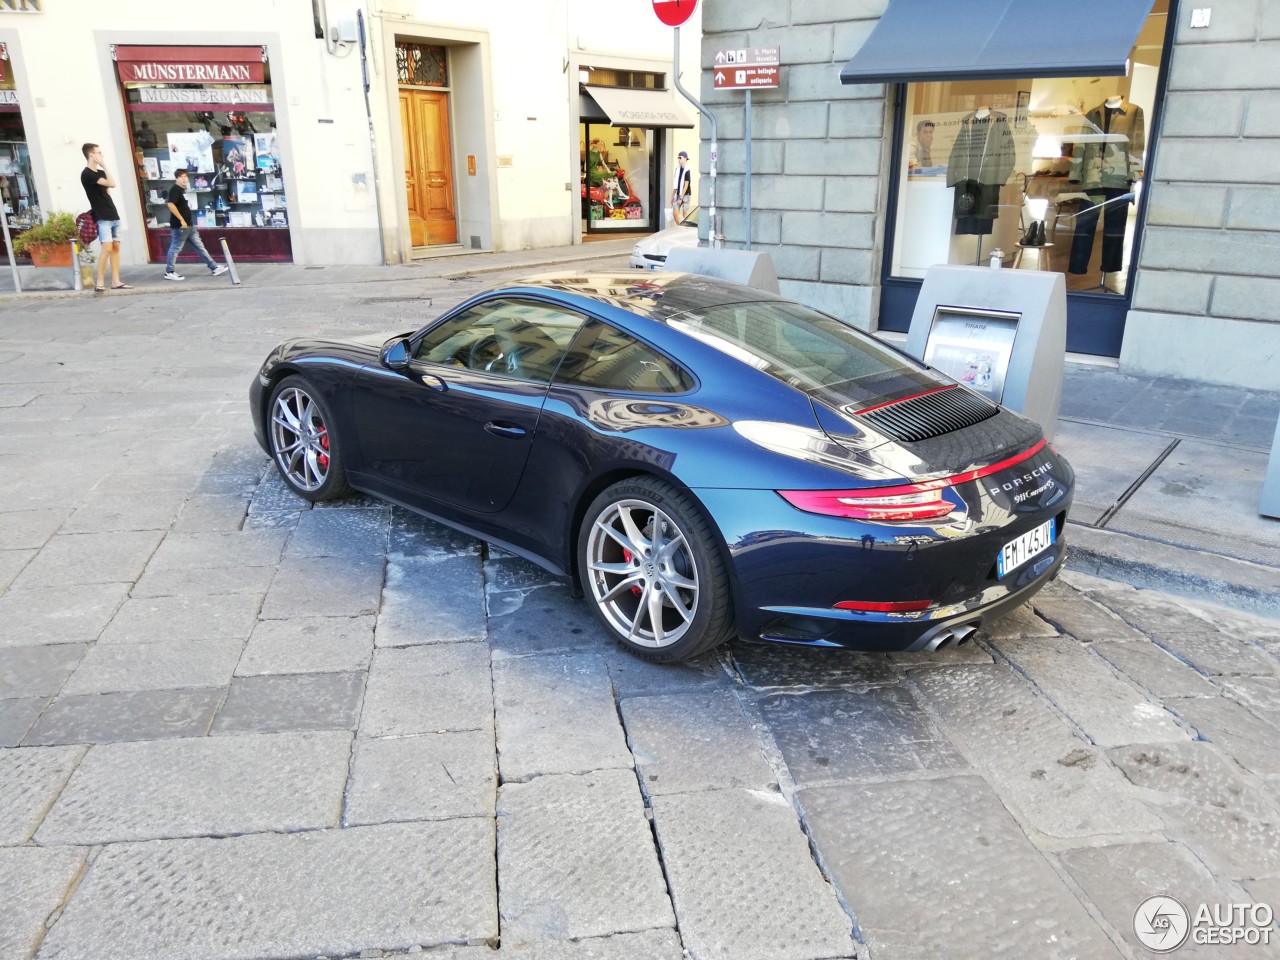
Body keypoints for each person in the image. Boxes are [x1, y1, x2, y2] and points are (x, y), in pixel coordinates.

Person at [80, 143, 130, 291]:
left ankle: (116, 281)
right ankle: (100, 282)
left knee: (116, 248)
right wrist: (105, 165)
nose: (102, 155)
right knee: (106, 249)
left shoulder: (101, 173)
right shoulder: (87, 174)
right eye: (99, 153)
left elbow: (108, 191)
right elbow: (112, 183)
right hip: (102, 216)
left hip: (112, 214)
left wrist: (104, 168)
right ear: (91, 155)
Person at [164, 168, 229, 281]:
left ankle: (214, 267)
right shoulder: (175, 189)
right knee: (175, 248)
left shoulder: (182, 190)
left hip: (190, 226)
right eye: (181, 177)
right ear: (176, 178)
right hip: (181, 226)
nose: (184, 179)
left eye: (186, 177)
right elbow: (170, 205)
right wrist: (181, 220)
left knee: (200, 247)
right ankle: (169, 271)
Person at [671, 149, 692, 224]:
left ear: (685, 158)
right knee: (675, 213)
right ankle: (681, 226)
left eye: (680, 157)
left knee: (685, 215)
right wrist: (672, 196)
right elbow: (675, 184)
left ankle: (685, 228)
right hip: (678, 194)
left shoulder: (687, 170)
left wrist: (681, 198)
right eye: (678, 158)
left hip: (685, 195)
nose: (679, 159)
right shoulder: (677, 169)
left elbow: (686, 185)